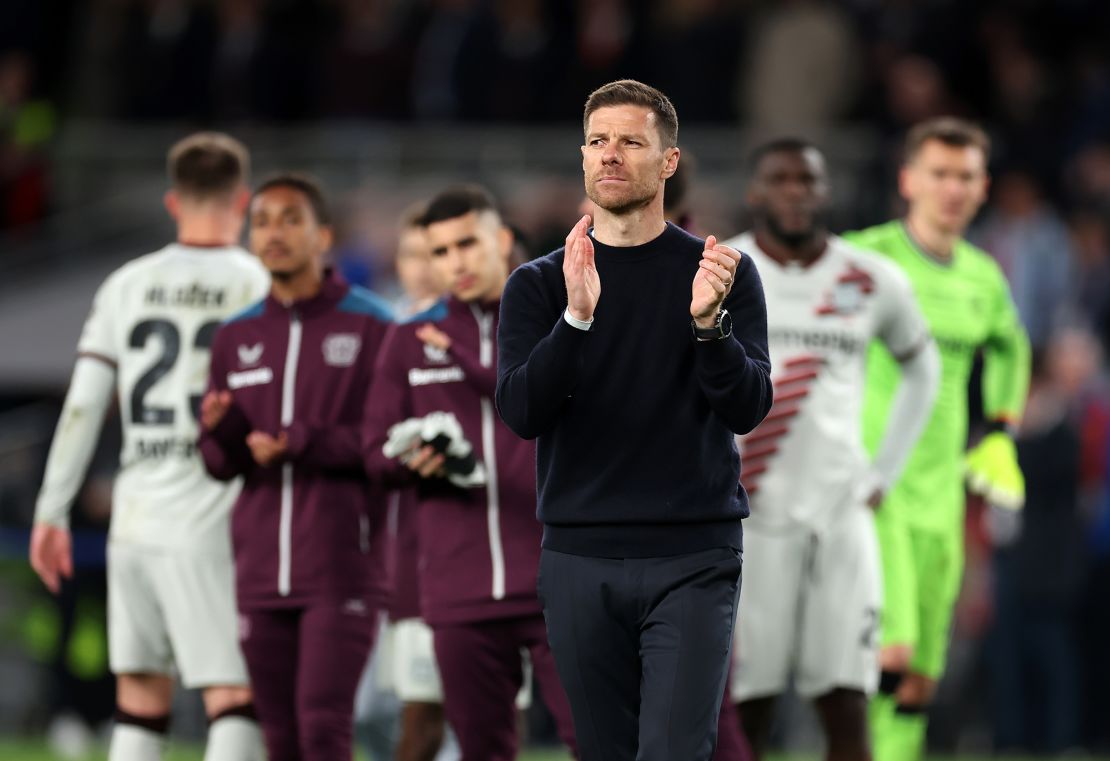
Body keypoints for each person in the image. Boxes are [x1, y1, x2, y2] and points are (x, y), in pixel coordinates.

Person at [496, 79, 773, 761]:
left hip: (694, 555)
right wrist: (576, 318)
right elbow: (522, 411)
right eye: (597, 141)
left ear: (668, 161)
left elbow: (748, 405)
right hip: (579, 555)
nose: (610, 155)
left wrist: (710, 328)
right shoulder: (539, 283)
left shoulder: (720, 273)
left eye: (630, 141)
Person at [29, 132, 269, 761]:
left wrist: (51, 511)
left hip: (133, 517)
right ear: (240, 200)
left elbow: (81, 405)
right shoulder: (257, 283)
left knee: (138, 697)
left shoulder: (125, 284)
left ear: (172, 202)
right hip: (212, 514)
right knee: (234, 695)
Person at [722, 139, 940, 761]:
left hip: (841, 516)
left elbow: (923, 369)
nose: (795, 192)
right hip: (748, 516)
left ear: (825, 191)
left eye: (807, 180)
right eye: (780, 180)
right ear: (755, 192)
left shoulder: (868, 278)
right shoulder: (721, 270)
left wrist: (883, 474)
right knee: (747, 704)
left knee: (845, 699)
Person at [363, 185, 578, 761]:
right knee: (482, 749)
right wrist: (411, 459)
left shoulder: (562, 323)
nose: (455, 262)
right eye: (439, 252)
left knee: (601, 741)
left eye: (467, 243)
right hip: (459, 588)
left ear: (502, 240)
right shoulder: (407, 341)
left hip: (561, 574)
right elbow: (373, 454)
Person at [843, 117, 1032, 761]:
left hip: (943, 493)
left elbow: (1011, 349)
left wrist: (1001, 431)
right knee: (887, 653)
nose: (952, 189)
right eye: (940, 174)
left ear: (983, 189)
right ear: (908, 180)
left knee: (923, 669)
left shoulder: (983, 279)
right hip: (874, 487)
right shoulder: (866, 257)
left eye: (966, 176)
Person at [198, 173, 393, 761]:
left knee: (322, 728)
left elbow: (386, 445)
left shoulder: (372, 325)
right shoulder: (235, 336)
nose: (274, 232)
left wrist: (303, 442)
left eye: (290, 219)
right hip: (258, 570)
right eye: (262, 221)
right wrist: (224, 434)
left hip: (340, 565)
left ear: (323, 236)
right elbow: (216, 464)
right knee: (278, 737)